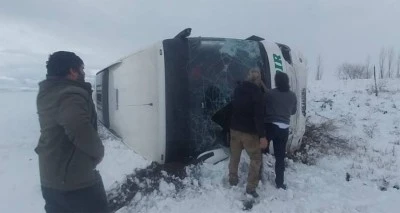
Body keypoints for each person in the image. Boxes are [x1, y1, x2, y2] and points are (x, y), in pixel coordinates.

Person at [35, 51, 109, 213]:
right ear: (72, 70)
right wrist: (98, 152)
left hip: (51, 178)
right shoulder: (69, 93)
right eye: (81, 68)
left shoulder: (48, 92)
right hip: (75, 181)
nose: (83, 72)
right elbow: (78, 126)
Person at [228, 68, 269, 198]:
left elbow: (232, 106)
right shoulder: (257, 93)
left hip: (234, 129)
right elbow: (259, 116)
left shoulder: (238, 89)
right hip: (249, 133)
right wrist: (262, 136)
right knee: (256, 159)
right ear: (258, 80)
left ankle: (232, 179)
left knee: (234, 156)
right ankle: (251, 187)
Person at [263, 71, 297, 190]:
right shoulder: (292, 95)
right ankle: (280, 183)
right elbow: (293, 111)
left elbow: (264, 104)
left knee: (259, 151)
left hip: (271, 126)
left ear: (277, 81)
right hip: (284, 128)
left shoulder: (271, 94)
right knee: (280, 157)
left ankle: (257, 178)